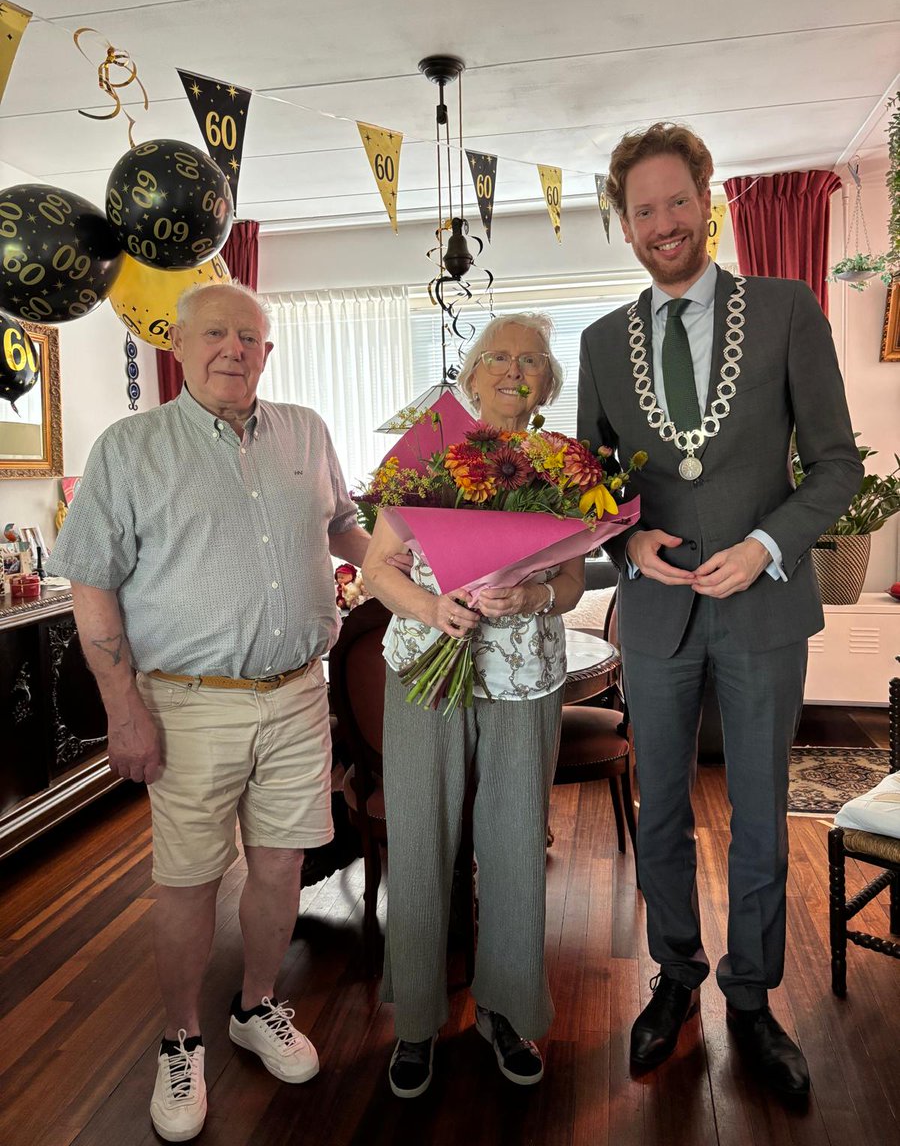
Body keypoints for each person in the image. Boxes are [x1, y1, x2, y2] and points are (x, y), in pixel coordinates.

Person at [577, 123, 862, 1098]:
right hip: (655, 619)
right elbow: (593, 489)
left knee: (758, 818)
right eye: (642, 210)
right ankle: (675, 976)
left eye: (675, 201)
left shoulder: (785, 310)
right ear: (626, 225)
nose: (662, 223)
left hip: (765, 610)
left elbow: (836, 465)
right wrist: (625, 543)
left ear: (708, 199)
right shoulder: (600, 344)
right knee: (658, 811)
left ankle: (751, 998)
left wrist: (766, 546)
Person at [50, 282, 369, 1142]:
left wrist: (421, 567)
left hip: (300, 694)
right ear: (180, 348)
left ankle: (256, 1006)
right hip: (188, 705)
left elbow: (345, 526)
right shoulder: (130, 448)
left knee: (280, 868)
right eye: (217, 335)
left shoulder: (306, 431)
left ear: (269, 351)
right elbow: (91, 585)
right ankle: (181, 1037)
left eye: (251, 337)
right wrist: (124, 708)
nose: (235, 348)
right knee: (188, 881)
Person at [362, 313, 585, 1097]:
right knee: (420, 837)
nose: (514, 371)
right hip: (427, 661)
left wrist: (534, 592)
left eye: (531, 359)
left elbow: (574, 580)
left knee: (518, 840)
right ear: (472, 372)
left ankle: (505, 1009)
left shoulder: (565, 464)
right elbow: (374, 569)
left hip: (523, 669)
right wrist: (429, 610)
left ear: (548, 380)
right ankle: (417, 1021)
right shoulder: (428, 451)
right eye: (499, 357)